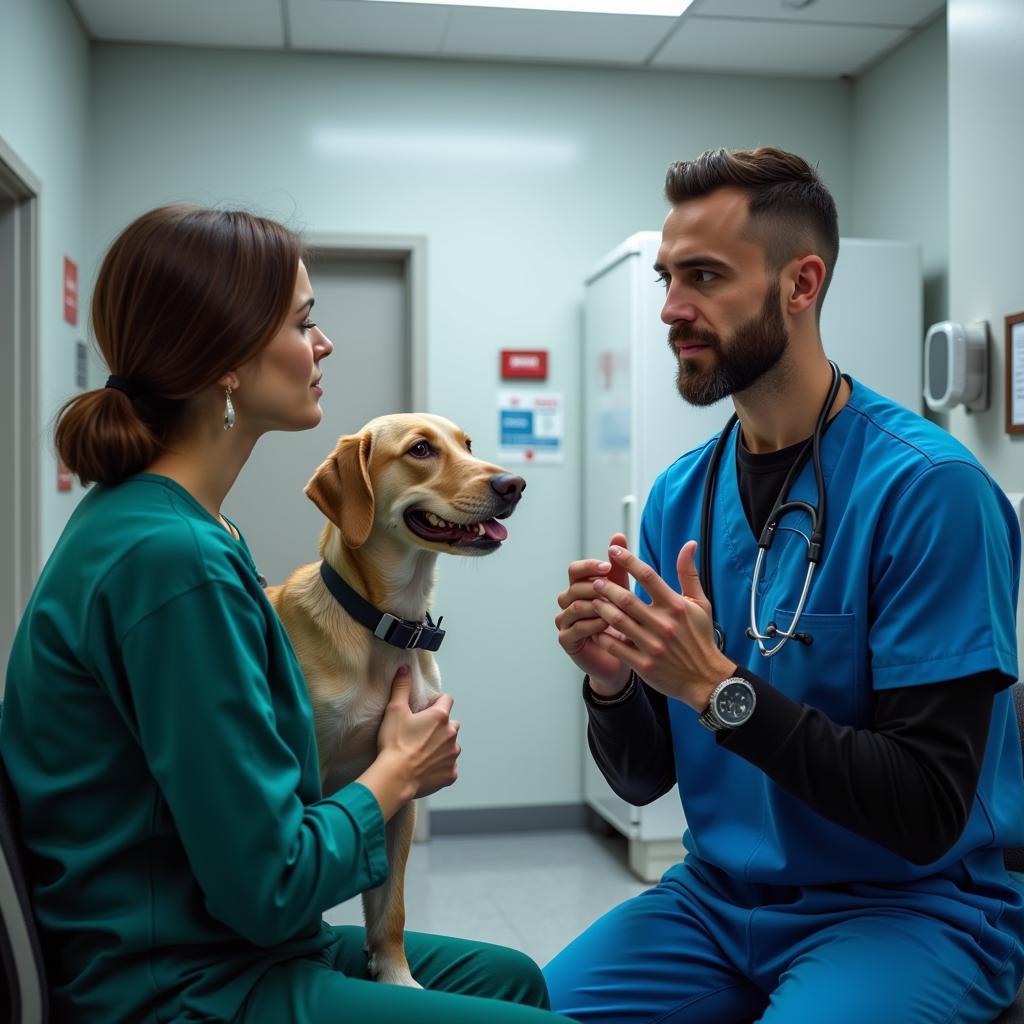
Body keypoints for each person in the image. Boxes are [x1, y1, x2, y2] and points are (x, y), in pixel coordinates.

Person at [0, 205, 563, 1023]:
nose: (323, 343)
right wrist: (397, 771)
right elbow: (268, 885)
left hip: (224, 942)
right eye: (304, 321)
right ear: (224, 355)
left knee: (513, 978)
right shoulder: (174, 560)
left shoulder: (183, 526)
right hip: (179, 984)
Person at [547, 147, 1024, 1023]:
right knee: (526, 1012)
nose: (670, 310)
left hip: (911, 909)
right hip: (716, 903)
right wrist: (612, 683)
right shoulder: (678, 498)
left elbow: (925, 809)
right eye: (665, 278)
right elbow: (644, 780)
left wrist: (716, 688)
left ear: (801, 285)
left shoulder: (930, 493)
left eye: (704, 277)